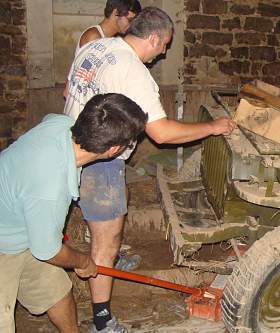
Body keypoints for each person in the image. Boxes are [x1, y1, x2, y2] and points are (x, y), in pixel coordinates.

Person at [63, 6, 237, 333]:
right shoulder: (134, 72)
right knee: (104, 240)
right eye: (165, 44)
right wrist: (212, 127)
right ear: (153, 37)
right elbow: (162, 133)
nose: (164, 51)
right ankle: (102, 319)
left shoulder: (97, 46)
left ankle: (108, 257)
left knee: (109, 221)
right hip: (99, 161)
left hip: (70, 143)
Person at [0, 93, 148, 333]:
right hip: (4, 245)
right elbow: (48, 250)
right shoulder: (49, 187)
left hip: (22, 230)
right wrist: (83, 261)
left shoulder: (61, 123)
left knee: (57, 291)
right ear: (113, 149)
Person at [64, 0, 142, 99]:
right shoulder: (94, 36)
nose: (131, 25)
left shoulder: (110, 40)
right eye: (129, 20)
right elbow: (87, 79)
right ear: (115, 12)